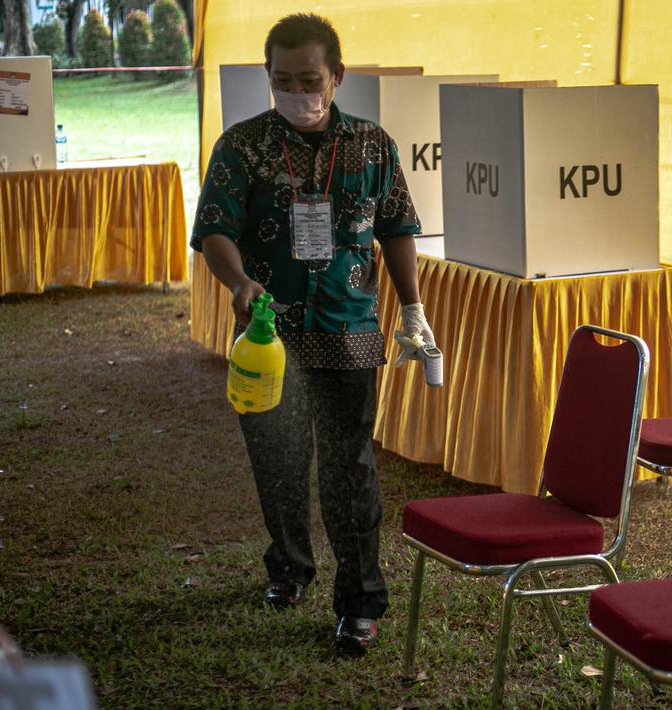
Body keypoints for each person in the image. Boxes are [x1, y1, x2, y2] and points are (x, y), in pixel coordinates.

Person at [191, 13, 436, 654]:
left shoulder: (372, 145)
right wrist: (239, 281)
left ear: (337, 76)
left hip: (348, 328)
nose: (297, 91)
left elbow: (397, 229)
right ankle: (291, 568)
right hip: (268, 334)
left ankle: (359, 603)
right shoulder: (242, 146)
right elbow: (214, 228)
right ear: (267, 78)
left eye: (309, 78)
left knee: (348, 470)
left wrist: (413, 311)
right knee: (278, 460)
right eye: (282, 79)